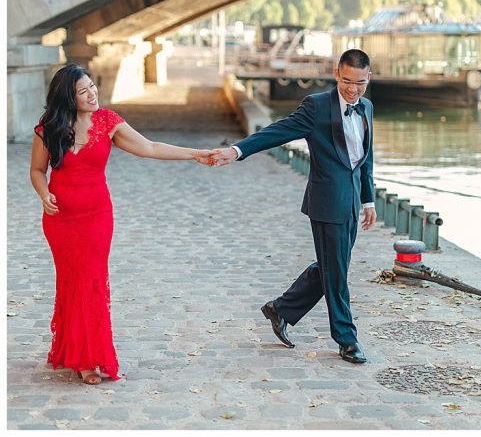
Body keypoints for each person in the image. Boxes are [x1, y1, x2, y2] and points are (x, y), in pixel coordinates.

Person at [29, 64, 213, 385]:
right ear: (67, 98)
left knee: (91, 281)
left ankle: (88, 359)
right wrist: (44, 194)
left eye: (92, 86)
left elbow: (150, 147)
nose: (92, 94)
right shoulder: (49, 128)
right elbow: (36, 171)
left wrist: (194, 153)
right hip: (60, 221)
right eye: (83, 91)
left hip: (97, 217)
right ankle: (73, 350)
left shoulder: (108, 122)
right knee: (72, 282)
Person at [208, 49, 377, 364]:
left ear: (368, 79)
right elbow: (277, 132)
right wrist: (237, 150)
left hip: (352, 203)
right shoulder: (317, 107)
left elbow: (365, 161)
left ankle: (281, 309)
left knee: (331, 267)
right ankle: (347, 339)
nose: (353, 90)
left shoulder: (366, 107)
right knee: (337, 273)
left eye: (360, 83)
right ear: (336, 74)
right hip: (327, 203)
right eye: (346, 81)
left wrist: (368, 200)